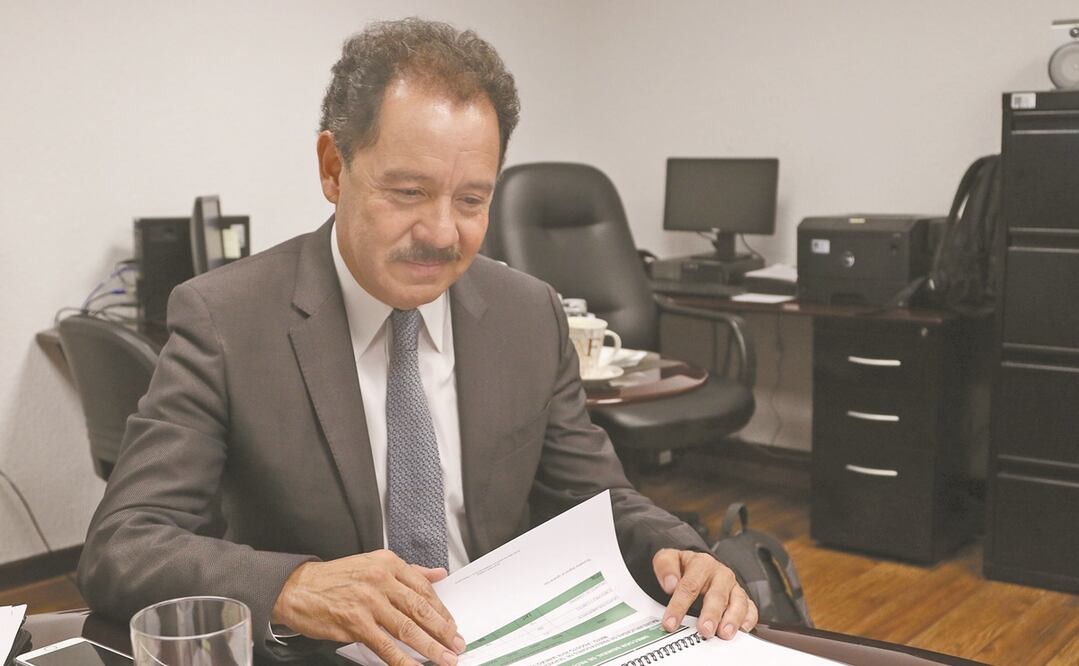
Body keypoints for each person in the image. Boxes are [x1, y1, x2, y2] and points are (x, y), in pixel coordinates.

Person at [78, 17, 757, 665]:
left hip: (510, 642)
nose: (441, 233)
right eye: (407, 191)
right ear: (333, 169)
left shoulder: (527, 312)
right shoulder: (226, 320)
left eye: (470, 201)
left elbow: (594, 498)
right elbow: (123, 546)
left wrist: (677, 546)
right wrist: (293, 587)